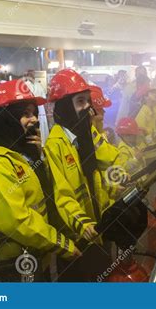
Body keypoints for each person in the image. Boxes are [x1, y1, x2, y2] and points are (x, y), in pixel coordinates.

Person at [0, 80, 81, 282]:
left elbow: (48, 192)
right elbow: (19, 221)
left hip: (36, 257)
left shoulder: (21, 155)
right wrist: (61, 244)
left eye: (33, 113)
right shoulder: (0, 165)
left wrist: (39, 156)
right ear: (6, 119)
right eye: (25, 114)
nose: (34, 120)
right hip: (14, 266)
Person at [43, 69, 114, 282]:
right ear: (65, 106)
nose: (88, 108)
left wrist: (127, 176)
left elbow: (111, 159)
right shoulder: (54, 147)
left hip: (100, 229)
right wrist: (83, 224)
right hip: (78, 239)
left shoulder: (87, 133)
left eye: (88, 101)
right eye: (80, 102)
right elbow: (62, 196)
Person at [24, 69, 49, 146]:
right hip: (31, 109)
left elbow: (44, 96)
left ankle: (44, 144)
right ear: (28, 75)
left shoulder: (38, 84)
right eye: (31, 74)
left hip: (40, 108)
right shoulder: (25, 85)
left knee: (42, 124)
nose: (32, 76)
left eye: (33, 74)